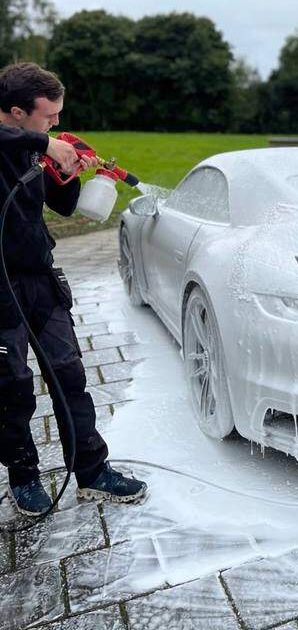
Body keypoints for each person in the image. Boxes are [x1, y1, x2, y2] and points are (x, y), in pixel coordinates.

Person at [0, 62, 146, 516]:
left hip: (40, 279)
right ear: (17, 112)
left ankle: (91, 470)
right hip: (0, 291)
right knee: (12, 388)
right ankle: (24, 477)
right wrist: (46, 143)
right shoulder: (15, 141)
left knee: (70, 376)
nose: (58, 124)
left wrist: (71, 170)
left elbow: (63, 207)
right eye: (49, 117)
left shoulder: (34, 145)